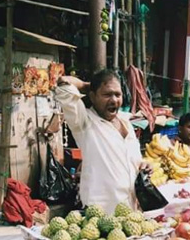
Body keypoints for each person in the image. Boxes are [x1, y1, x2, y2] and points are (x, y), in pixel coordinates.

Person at [55, 70, 148, 212]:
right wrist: (87, 86)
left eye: (118, 94)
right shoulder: (84, 122)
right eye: (106, 94)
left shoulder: (126, 122)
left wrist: (143, 164)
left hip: (131, 210)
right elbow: (63, 86)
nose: (114, 100)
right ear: (92, 97)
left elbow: (133, 159)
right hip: (102, 213)